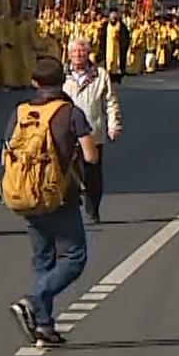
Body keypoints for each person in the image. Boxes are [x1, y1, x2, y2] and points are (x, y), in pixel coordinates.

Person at [3, 56, 98, 347]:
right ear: (62, 81)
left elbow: (6, 151)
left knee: (44, 260)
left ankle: (44, 327)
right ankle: (33, 300)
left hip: (26, 195)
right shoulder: (70, 112)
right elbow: (91, 155)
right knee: (74, 257)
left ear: (34, 83)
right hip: (60, 195)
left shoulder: (21, 112)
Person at [63, 35, 120, 225]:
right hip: (68, 133)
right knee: (67, 172)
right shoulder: (63, 75)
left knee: (92, 173)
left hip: (92, 133)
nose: (78, 55)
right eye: (74, 51)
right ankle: (70, 208)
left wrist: (113, 124)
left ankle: (93, 208)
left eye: (82, 51)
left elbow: (111, 102)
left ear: (88, 53)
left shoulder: (100, 75)